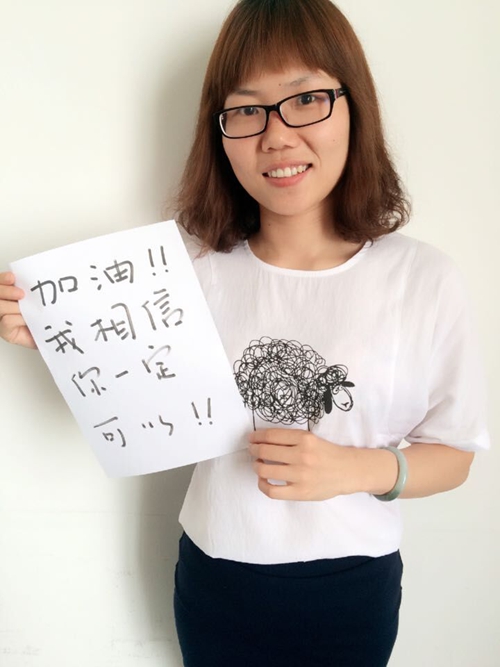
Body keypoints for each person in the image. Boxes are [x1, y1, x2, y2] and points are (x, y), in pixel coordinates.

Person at [0, 0, 490, 665]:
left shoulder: (423, 277)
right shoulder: (186, 271)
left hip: (352, 587)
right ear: (220, 129)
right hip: (215, 576)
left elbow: (455, 453)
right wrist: (59, 328)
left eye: (306, 99)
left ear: (354, 105)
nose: (277, 136)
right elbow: (144, 400)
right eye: (247, 110)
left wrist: (354, 468)